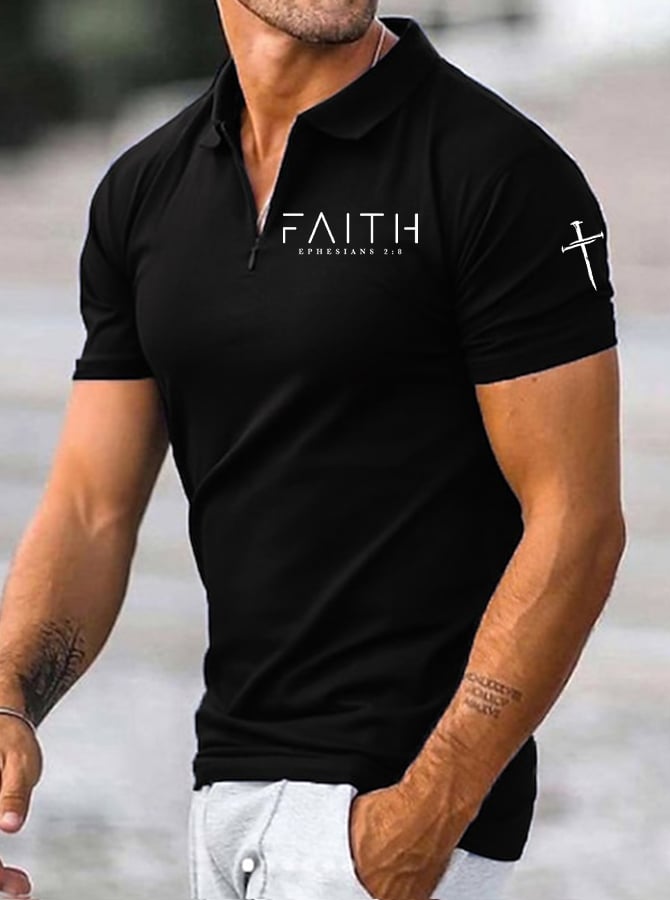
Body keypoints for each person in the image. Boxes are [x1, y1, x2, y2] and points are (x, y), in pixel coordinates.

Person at [0, 2, 626, 899]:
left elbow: (578, 523)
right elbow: (89, 508)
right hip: (225, 804)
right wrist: (10, 697)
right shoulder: (144, 190)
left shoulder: (497, 170)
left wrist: (426, 815)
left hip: (398, 826)